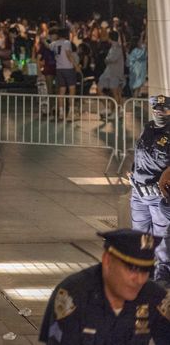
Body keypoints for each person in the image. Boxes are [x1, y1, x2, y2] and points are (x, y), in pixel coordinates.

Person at [39, 229, 170, 343]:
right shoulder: (73, 295)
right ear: (107, 261)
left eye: (146, 271)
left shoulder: (155, 297)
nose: (140, 280)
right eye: (133, 269)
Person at [134, 95, 170, 285]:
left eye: (163, 109)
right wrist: (133, 170)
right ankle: (142, 275)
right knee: (141, 237)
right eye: (156, 108)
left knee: (161, 241)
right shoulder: (148, 127)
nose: (158, 111)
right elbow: (141, 151)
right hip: (138, 192)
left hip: (158, 196)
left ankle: (161, 280)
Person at [50, 28, 78, 119]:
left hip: (59, 68)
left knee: (61, 91)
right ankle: (71, 112)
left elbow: (48, 46)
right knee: (71, 90)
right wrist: (75, 65)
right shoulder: (66, 43)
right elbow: (68, 54)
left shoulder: (54, 44)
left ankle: (61, 112)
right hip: (68, 68)